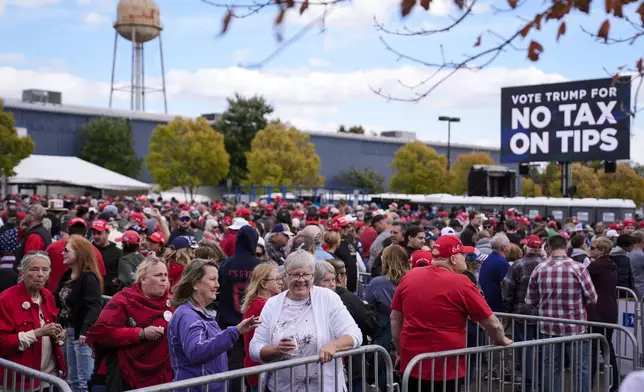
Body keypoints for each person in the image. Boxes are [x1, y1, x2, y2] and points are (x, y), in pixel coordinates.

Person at [390, 235, 510, 392]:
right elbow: (492, 323)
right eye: (462, 255)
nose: (465, 259)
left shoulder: (410, 276)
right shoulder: (462, 283)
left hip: (412, 363)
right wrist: (501, 340)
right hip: (445, 368)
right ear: (453, 258)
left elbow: (395, 318)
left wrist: (400, 351)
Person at [249, 249, 363, 392]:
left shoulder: (327, 298)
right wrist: (275, 351)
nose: (301, 280)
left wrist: (333, 346)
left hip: (323, 387)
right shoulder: (272, 304)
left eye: (306, 274)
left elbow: (355, 334)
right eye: (295, 274)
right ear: (286, 276)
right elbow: (254, 348)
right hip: (282, 387)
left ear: (313, 276)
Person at [168, 259, 261, 392]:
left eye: (217, 280)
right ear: (195, 283)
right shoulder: (188, 316)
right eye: (212, 279)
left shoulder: (201, 313)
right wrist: (235, 331)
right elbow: (196, 351)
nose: (217, 285)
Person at [86, 257, 173, 391]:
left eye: (165, 275)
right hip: (124, 375)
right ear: (143, 279)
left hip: (161, 377)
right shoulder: (123, 299)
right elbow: (101, 333)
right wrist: (140, 333)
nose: (163, 279)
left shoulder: (171, 303)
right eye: (158, 275)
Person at [526, 235, 598, 392]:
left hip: (548, 327)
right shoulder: (579, 268)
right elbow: (593, 298)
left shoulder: (540, 269)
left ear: (548, 249)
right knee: (581, 368)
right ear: (566, 248)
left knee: (550, 367)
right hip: (576, 327)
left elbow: (529, 300)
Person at [0, 252, 66, 390]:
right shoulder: (6, 300)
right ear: (22, 273)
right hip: (21, 380)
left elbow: (52, 329)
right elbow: (2, 343)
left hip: (49, 377)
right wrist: (37, 333)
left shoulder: (48, 296)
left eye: (45, 270)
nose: (40, 274)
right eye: (34, 269)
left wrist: (59, 334)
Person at [217, 225, 262, 383]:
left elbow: (218, 292)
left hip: (229, 324)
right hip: (253, 324)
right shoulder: (260, 266)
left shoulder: (225, 265)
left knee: (233, 369)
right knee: (253, 366)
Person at [241, 263, 283, 392]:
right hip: (260, 368)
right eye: (276, 279)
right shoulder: (262, 306)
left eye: (281, 278)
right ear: (264, 284)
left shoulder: (259, 303)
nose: (281, 282)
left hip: (257, 366)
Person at [587, 236, 620, 391]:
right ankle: (615, 382)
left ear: (602, 250)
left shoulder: (597, 266)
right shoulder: (610, 264)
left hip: (597, 312)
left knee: (594, 348)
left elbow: (582, 282)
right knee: (607, 347)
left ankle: (588, 384)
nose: (589, 249)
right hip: (609, 310)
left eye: (593, 247)